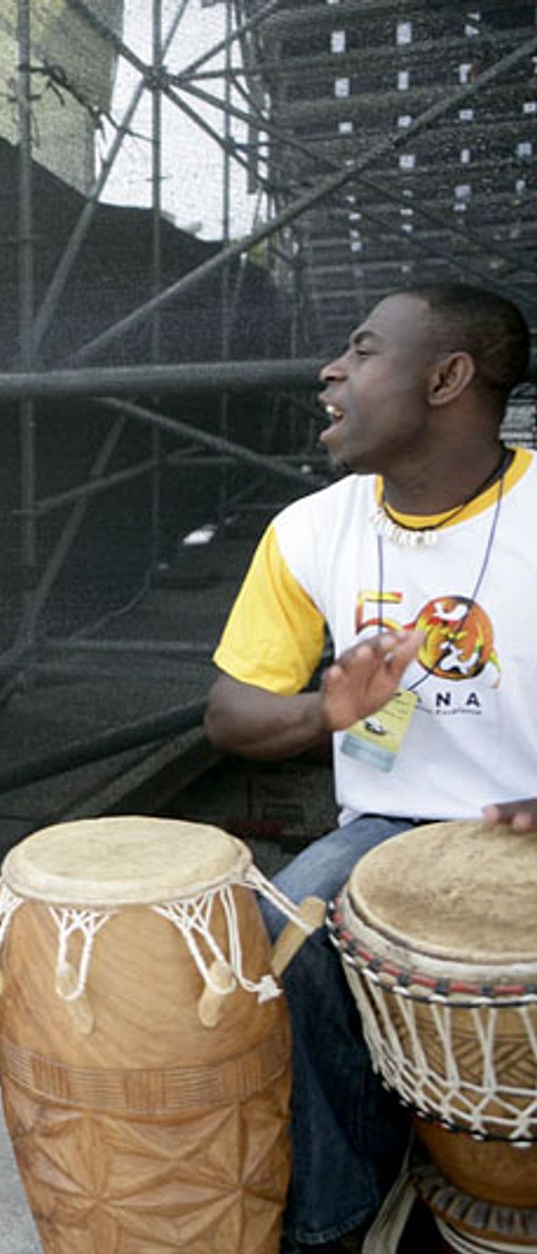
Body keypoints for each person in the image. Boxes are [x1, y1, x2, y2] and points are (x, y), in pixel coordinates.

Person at [205, 282, 535, 1253]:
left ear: (445, 377)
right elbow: (227, 713)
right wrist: (323, 710)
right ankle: (335, 1217)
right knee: (287, 925)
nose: (328, 373)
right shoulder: (310, 531)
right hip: (387, 832)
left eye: (360, 351)